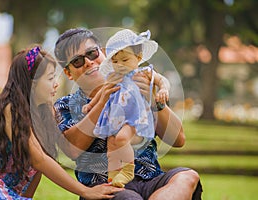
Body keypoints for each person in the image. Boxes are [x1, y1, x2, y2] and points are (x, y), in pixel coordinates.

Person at [54, 27, 202, 199]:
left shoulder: (139, 87)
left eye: (92, 53)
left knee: (187, 176)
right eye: (77, 61)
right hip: (106, 187)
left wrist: (153, 101)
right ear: (68, 73)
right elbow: (73, 149)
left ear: (102, 54)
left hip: (151, 180)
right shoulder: (65, 105)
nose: (88, 62)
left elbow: (178, 140)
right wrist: (102, 102)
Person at [0, 46, 123, 199]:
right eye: (51, 78)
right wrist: (85, 191)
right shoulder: (10, 109)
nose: (56, 84)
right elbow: (39, 160)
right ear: (32, 83)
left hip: (5, 188)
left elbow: (38, 168)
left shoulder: (46, 114)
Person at [81, 29, 171, 188]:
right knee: (111, 144)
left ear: (138, 57)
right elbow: (103, 91)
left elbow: (162, 80)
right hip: (116, 118)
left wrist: (163, 89)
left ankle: (128, 169)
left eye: (125, 59)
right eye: (115, 62)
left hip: (135, 118)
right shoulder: (114, 78)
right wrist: (91, 104)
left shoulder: (145, 73)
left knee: (122, 139)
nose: (120, 65)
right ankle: (114, 173)